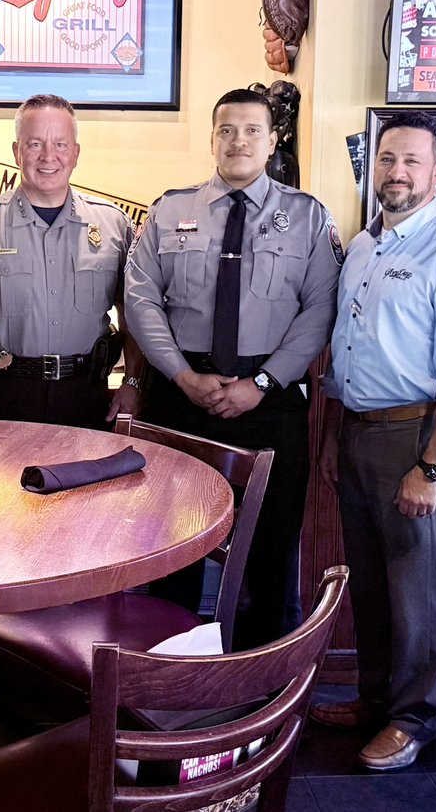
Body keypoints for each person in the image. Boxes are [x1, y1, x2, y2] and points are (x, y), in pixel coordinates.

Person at [308, 111, 436, 771]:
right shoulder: (364, 246)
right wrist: (333, 438)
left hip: (415, 441)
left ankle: (413, 718)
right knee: (370, 582)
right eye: (388, 158)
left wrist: (432, 466)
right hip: (357, 434)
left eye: (412, 161)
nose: (397, 172)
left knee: (415, 587)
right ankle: (375, 696)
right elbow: (344, 353)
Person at [124, 87, 340, 649]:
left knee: (273, 552)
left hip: (271, 403)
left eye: (251, 131)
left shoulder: (308, 217)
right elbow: (141, 298)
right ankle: (172, 679)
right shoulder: (170, 210)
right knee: (173, 545)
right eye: (226, 130)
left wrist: (263, 383)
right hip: (181, 399)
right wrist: (180, 376)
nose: (238, 141)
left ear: (272, 141)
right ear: (212, 138)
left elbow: (320, 309)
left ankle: (264, 682)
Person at [0, 93, 142, 428]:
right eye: (35, 144)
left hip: (85, 395)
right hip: (3, 394)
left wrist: (133, 382)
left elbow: (134, 313)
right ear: (16, 152)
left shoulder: (113, 225)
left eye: (61, 145)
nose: (48, 156)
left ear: (76, 154)